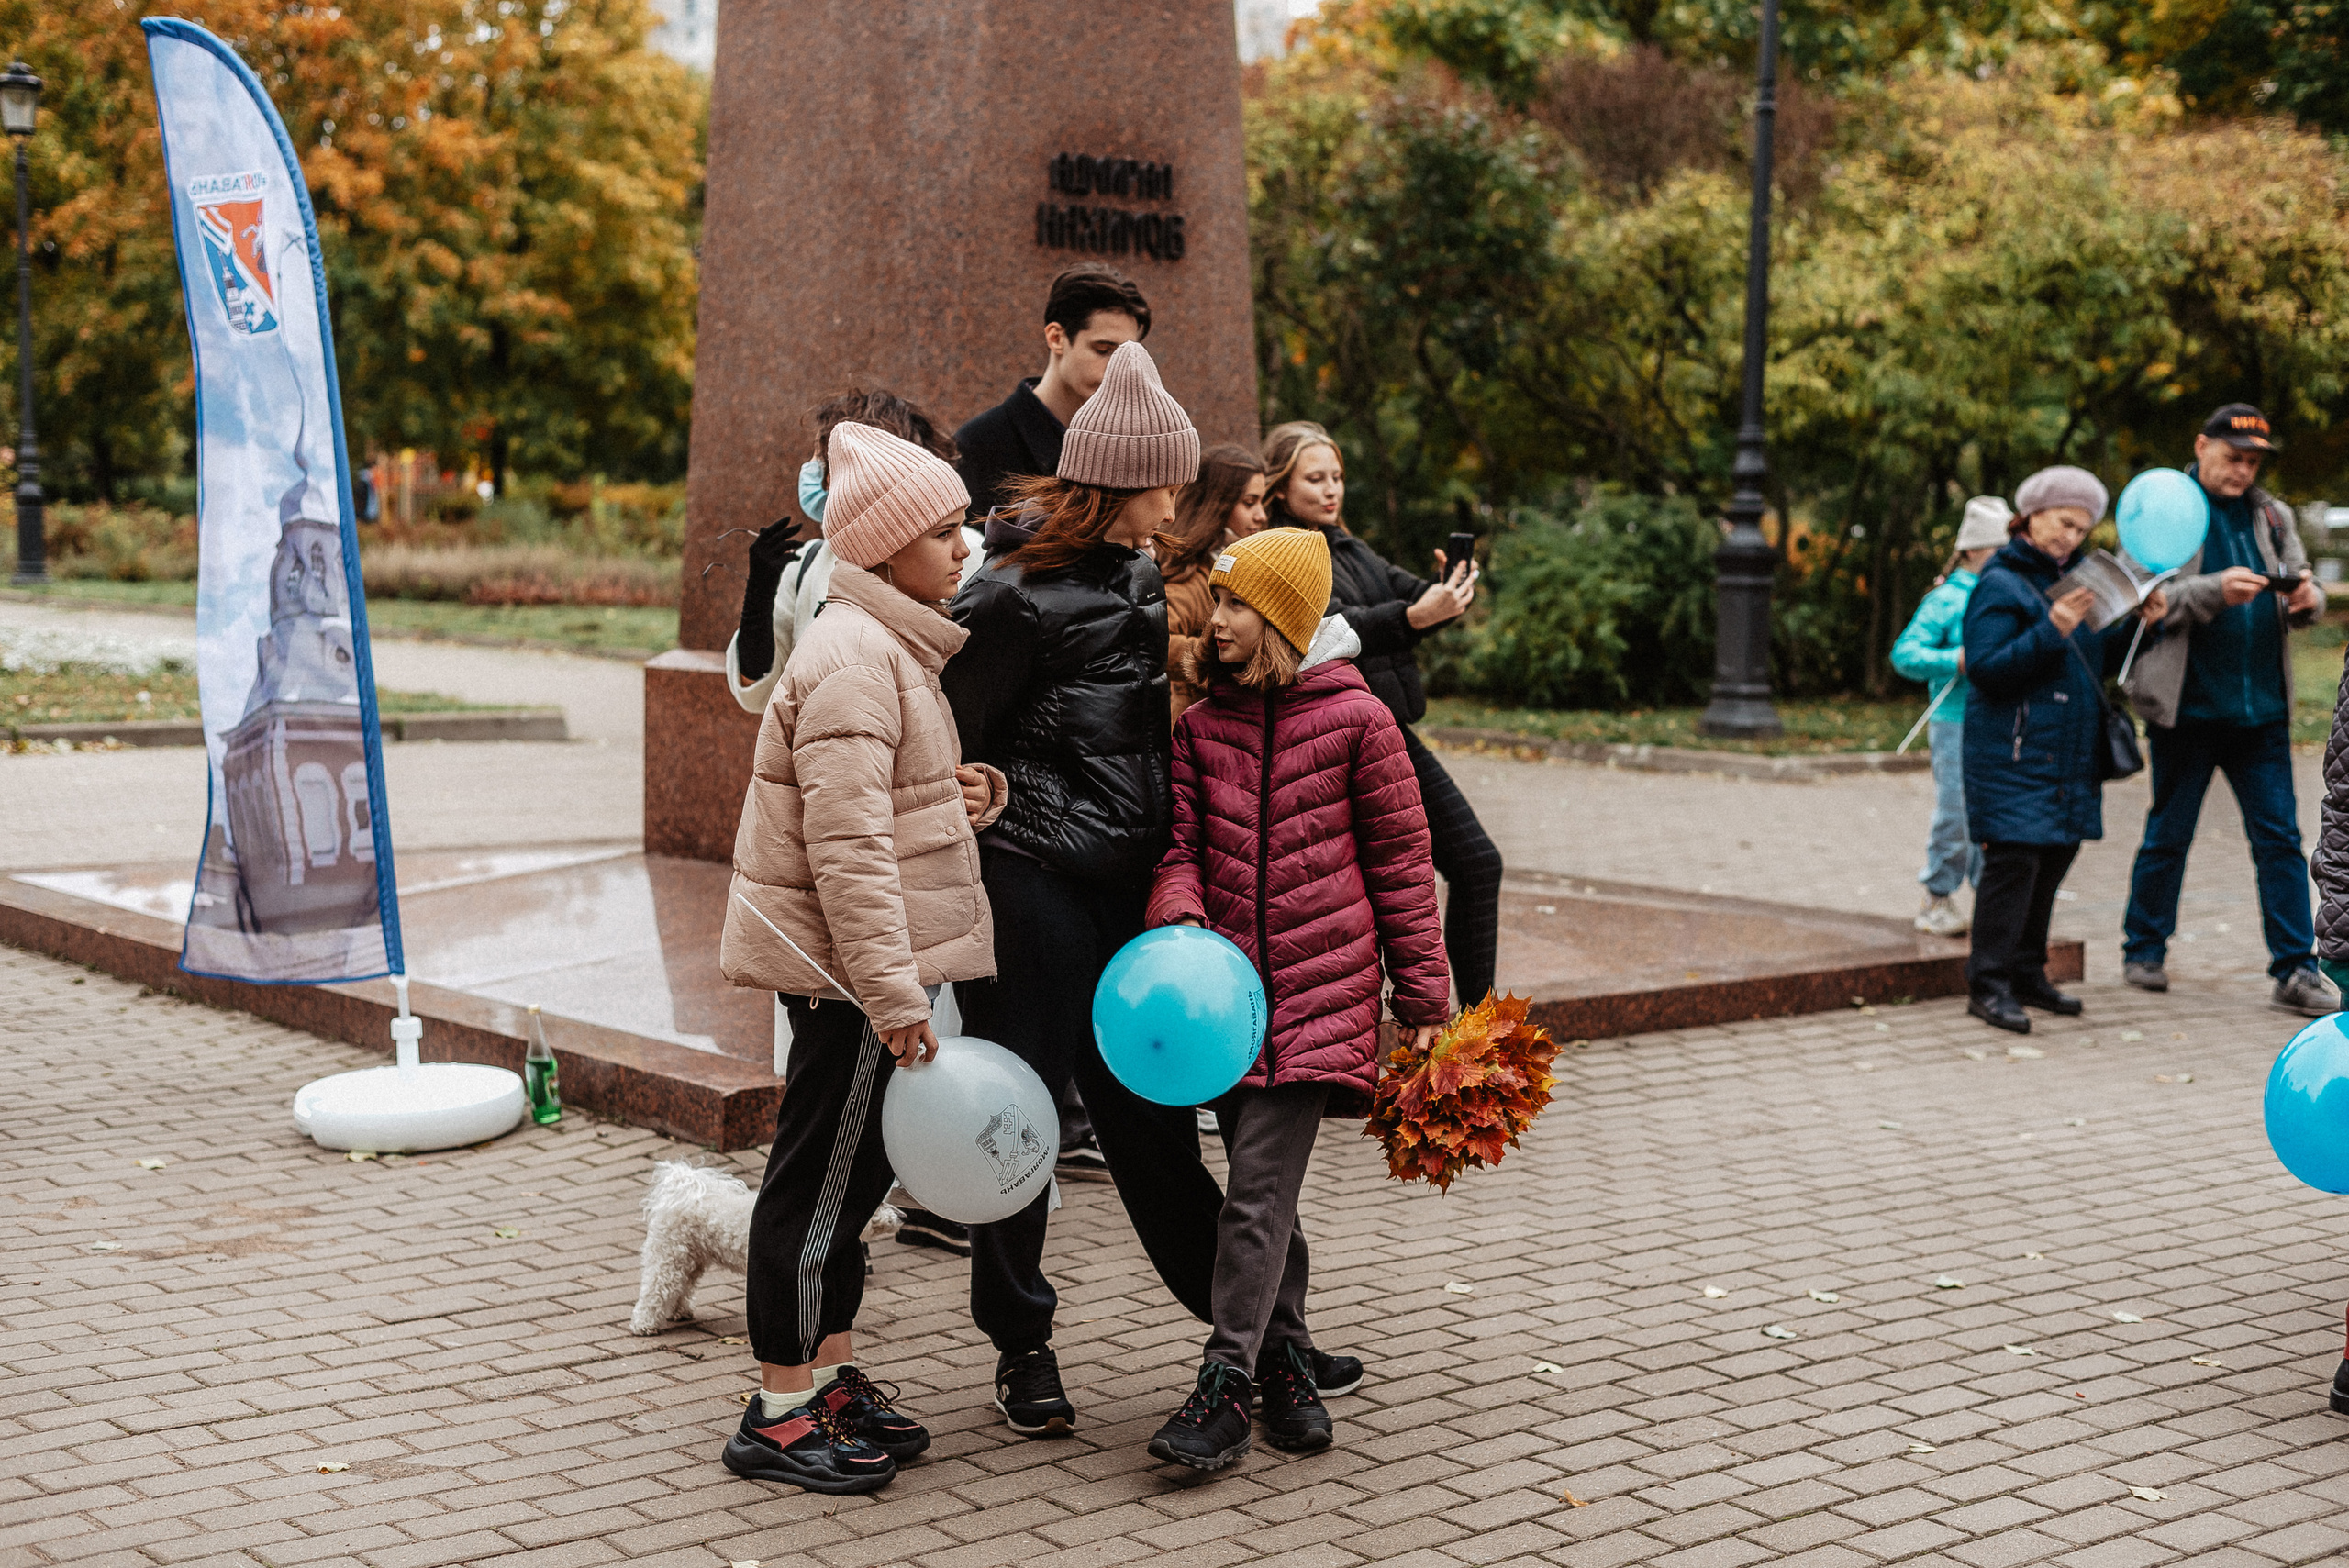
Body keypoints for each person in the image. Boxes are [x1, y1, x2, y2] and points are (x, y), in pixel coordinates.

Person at [944, 343, 1364, 1438]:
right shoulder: (1009, 597)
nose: (1179, 506)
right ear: (1120, 483)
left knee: (1154, 1132)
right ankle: (1021, 1343)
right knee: (1018, 1117)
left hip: (1129, 886)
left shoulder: (1137, 579)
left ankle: (1263, 1336)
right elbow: (950, 737)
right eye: (1165, 485)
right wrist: (1001, 803)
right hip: (1032, 886)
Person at [715, 422, 1008, 1494]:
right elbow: (848, 853)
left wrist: (971, 792)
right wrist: (892, 993)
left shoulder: (890, 646)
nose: (964, 547)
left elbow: (889, 809)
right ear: (883, 547)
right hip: (852, 982)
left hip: (871, 977)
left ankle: (830, 1374)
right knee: (817, 1191)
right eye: (942, 531)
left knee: (851, 1187)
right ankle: (778, 1407)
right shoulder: (853, 659)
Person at [1141, 528, 1449, 1470]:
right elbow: (1180, 846)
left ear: (1282, 618)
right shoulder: (1201, 725)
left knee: (1255, 1193)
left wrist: (1423, 996)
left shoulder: (1359, 722)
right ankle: (1289, 1363)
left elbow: (1403, 865)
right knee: (1265, 1192)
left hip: (1321, 992)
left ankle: (1225, 1382)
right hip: (1225, 1001)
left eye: (1238, 603)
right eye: (1218, 601)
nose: (1218, 618)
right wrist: (1180, 913)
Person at [1260, 421, 1497, 1009]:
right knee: (1461, 866)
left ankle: (1478, 1027)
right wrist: (1414, 616)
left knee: (1474, 865)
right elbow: (1335, 629)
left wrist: (1447, 590)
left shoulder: (1348, 545)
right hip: (1342, 738)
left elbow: (1406, 596)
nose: (1331, 489)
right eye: (1315, 478)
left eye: (1337, 476)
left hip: (1386, 729)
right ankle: (1466, 1028)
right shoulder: (1283, 553)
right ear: (1280, 487)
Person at [2119, 403, 2337, 1016]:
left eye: (2252, 462)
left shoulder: (2272, 515)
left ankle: (2295, 968)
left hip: (2262, 710)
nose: (2242, 470)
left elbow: (2304, 586)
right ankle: (2143, 949)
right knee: (2169, 834)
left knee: (2280, 840)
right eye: (2232, 457)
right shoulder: (2163, 508)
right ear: (2201, 446)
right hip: (2187, 709)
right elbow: (2143, 598)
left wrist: (2308, 599)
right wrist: (2214, 591)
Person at [1961, 466, 2166, 1035]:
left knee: (2051, 862)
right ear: (2030, 516)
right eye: (2061, 522)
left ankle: (2027, 973)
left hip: (2068, 755)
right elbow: (1986, 669)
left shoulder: (2077, 582)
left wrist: (2144, 628)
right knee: (2013, 868)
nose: (2069, 537)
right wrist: (2051, 627)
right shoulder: (2000, 583)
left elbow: (2095, 659)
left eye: (2080, 529)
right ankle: (1988, 984)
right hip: (2013, 756)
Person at [726, 389, 976, 715]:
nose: (824, 478)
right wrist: (758, 599)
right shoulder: (806, 563)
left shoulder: (973, 558)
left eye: (840, 464)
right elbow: (760, 692)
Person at [1890, 495, 2012, 937]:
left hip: (2000, 720)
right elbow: (1905, 653)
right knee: (1956, 813)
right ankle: (1936, 897)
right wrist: (1954, 659)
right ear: (1975, 550)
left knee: (1995, 815)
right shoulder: (1945, 600)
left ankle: (1990, 901)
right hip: (1954, 720)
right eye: (2000, 549)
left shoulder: (2010, 593)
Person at [953, 263, 1151, 518]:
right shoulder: (978, 446)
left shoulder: (1131, 442)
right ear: (1056, 338)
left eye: (1127, 355)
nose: (1117, 368)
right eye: (1103, 350)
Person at [1159, 444, 1268, 719]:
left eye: (1262, 503)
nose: (1261, 515)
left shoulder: (1231, 563)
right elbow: (1156, 641)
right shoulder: (1193, 576)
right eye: (1249, 503)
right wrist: (1220, 652)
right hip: (1197, 722)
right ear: (1218, 503)